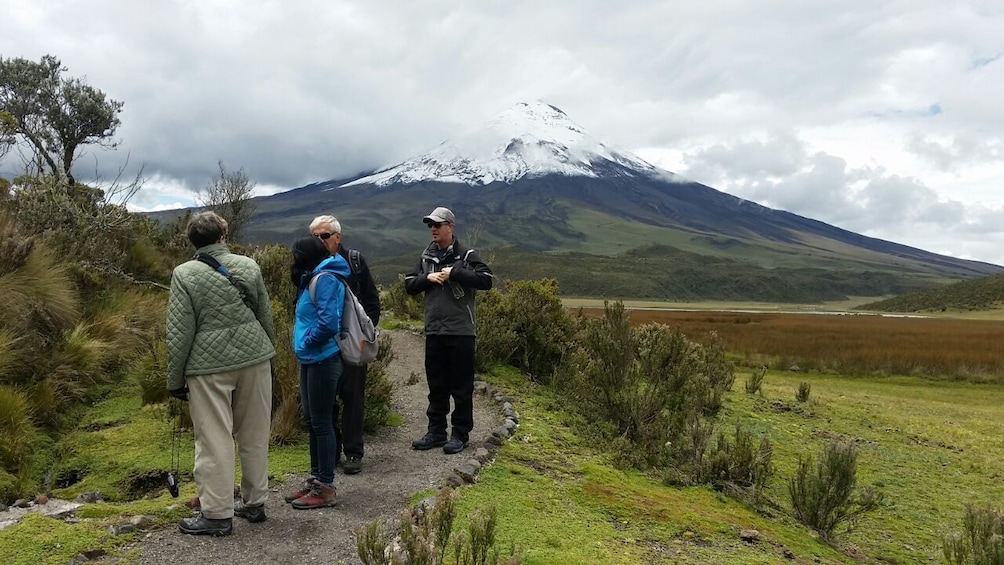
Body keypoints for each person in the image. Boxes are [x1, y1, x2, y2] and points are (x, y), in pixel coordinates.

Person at [166, 211, 276, 536]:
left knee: (214, 439)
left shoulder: (184, 274)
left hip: (208, 368)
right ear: (222, 236)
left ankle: (216, 514)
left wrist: (175, 381)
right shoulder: (249, 266)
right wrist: (268, 355)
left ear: (193, 241)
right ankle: (254, 503)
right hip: (255, 359)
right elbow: (264, 315)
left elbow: (179, 333)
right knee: (254, 434)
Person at [405, 206, 494, 455]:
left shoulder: (466, 254)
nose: (433, 229)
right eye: (430, 225)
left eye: (437, 224)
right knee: (436, 384)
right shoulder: (425, 257)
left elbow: (486, 279)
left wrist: (455, 273)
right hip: (434, 330)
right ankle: (436, 432)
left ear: (450, 227)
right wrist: (427, 279)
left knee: (461, 386)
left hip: (461, 331)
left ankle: (460, 434)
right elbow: (409, 285)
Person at [308, 215, 381, 475]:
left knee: (352, 398)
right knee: (325, 402)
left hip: (351, 345)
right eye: (315, 236)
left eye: (324, 236)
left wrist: (363, 335)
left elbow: (371, 301)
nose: (319, 241)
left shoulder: (354, 262)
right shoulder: (309, 267)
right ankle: (333, 450)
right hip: (323, 346)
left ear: (338, 237)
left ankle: (353, 452)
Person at [284, 236, 351, 509]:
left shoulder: (324, 279)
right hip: (311, 359)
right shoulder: (313, 277)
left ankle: (325, 486)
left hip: (323, 358)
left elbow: (328, 323)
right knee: (312, 422)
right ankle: (316, 481)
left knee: (322, 423)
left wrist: (306, 342)